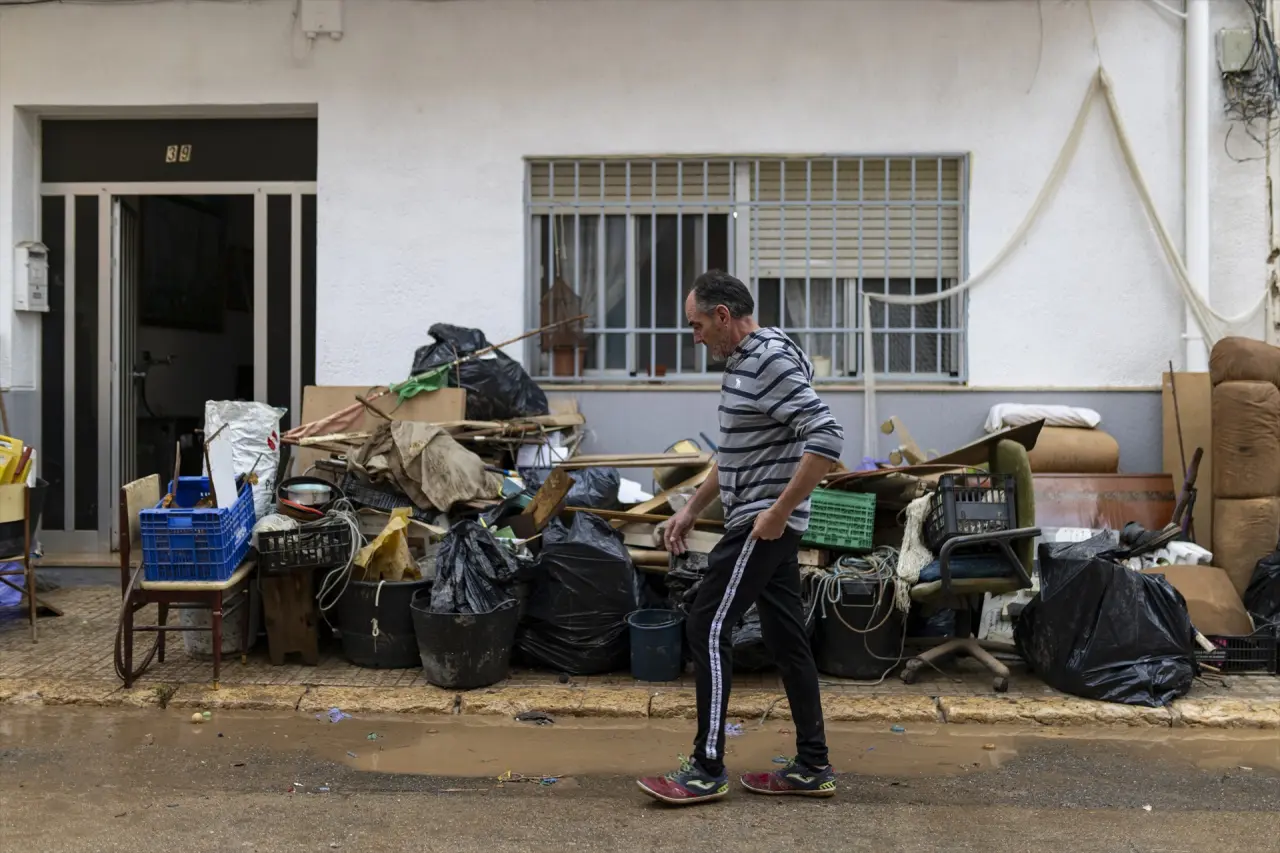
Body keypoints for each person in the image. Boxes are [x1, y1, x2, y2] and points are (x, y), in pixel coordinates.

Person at [636, 270, 845, 806]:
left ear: (724, 316)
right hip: (758, 521)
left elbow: (826, 436)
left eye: (698, 325)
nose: (695, 336)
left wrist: (779, 512)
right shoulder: (743, 363)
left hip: (760, 523)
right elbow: (732, 454)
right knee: (786, 639)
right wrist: (690, 510)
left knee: (707, 624)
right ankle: (812, 765)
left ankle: (706, 769)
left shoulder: (767, 360)